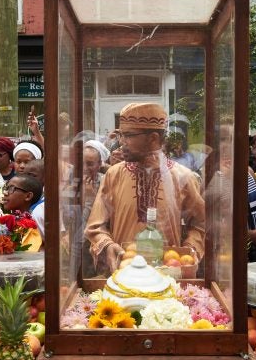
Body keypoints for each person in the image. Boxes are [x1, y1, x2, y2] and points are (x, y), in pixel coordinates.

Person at [85, 102, 205, 276]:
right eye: (120, 135)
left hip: (167, 280)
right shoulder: (114, 174)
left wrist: (187, 253)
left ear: (153, 138)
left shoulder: (183, 177)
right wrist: (108, 245)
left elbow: (200, 225)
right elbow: (95, 226)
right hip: (122, 279)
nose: (121, 142)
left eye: (128, 135)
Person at [0, 174, 43, 252]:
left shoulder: (32, 227)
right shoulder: (1, 221)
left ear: (28, 196)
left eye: (11, 188)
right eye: (6, 188)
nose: (5, 193)